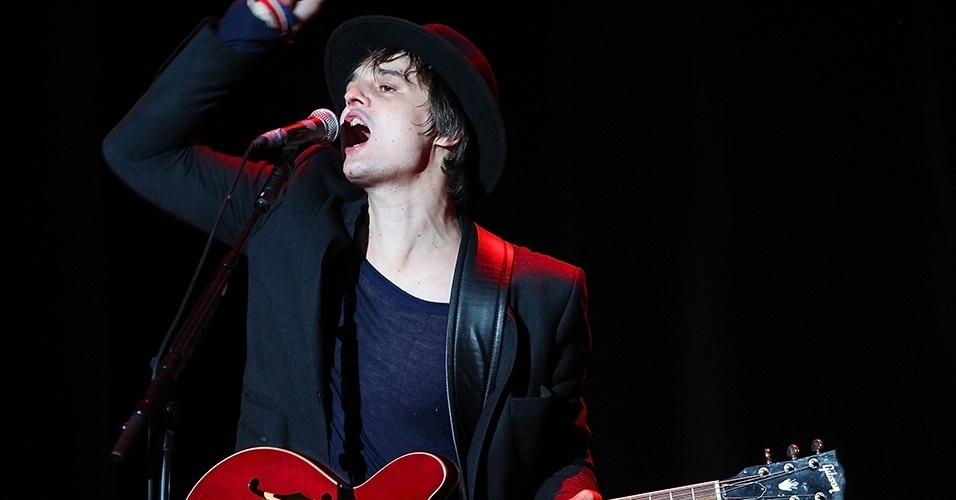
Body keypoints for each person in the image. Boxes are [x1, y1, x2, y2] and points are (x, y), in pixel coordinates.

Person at [102, 0, 601, 498]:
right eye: (351, 91)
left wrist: (576, 491)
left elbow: (561, 458)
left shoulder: (539, 295)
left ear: (448, 132)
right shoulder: (292, 211)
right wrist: (251, 28)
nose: (352, 100)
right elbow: (138, 151)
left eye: (386, 87)